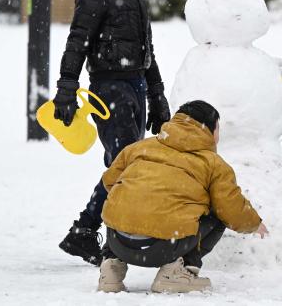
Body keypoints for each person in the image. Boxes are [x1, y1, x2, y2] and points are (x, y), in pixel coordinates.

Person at [55, 0, 171, 265]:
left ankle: (92, 232)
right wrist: (66, 87)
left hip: (136, 87)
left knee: (129, 164)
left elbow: (147, 52)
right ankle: (90, 230)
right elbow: (76, 44)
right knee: (125, 163)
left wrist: (158, 95)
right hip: (109, 89)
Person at [96, 100, 268, 293]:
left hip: (119, 242)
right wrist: (253, 223)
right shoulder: (213, 164)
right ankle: (178, 272)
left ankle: (111, 270)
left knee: (122, 201)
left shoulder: (138, 148)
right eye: (218, 128)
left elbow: (110, 181)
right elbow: (230, 208)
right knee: (218, 215)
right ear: (209, 130)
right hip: (163, 247)